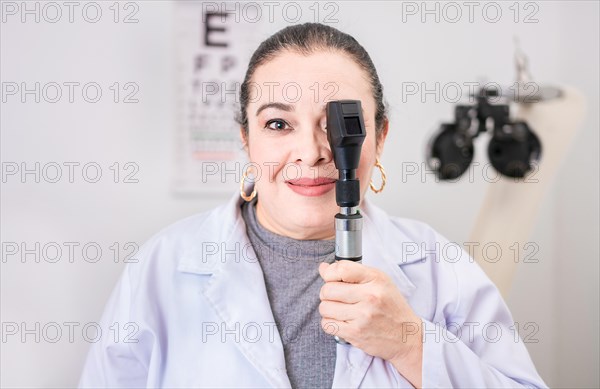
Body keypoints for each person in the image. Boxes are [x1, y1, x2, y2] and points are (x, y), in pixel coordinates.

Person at [79, 23, 547, 388]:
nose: (312, 151)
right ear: (246, 138)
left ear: (379, 137)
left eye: (340, 125)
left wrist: (411, 344)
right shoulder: (163, 266)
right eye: (279, 124)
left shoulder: (438, 266)